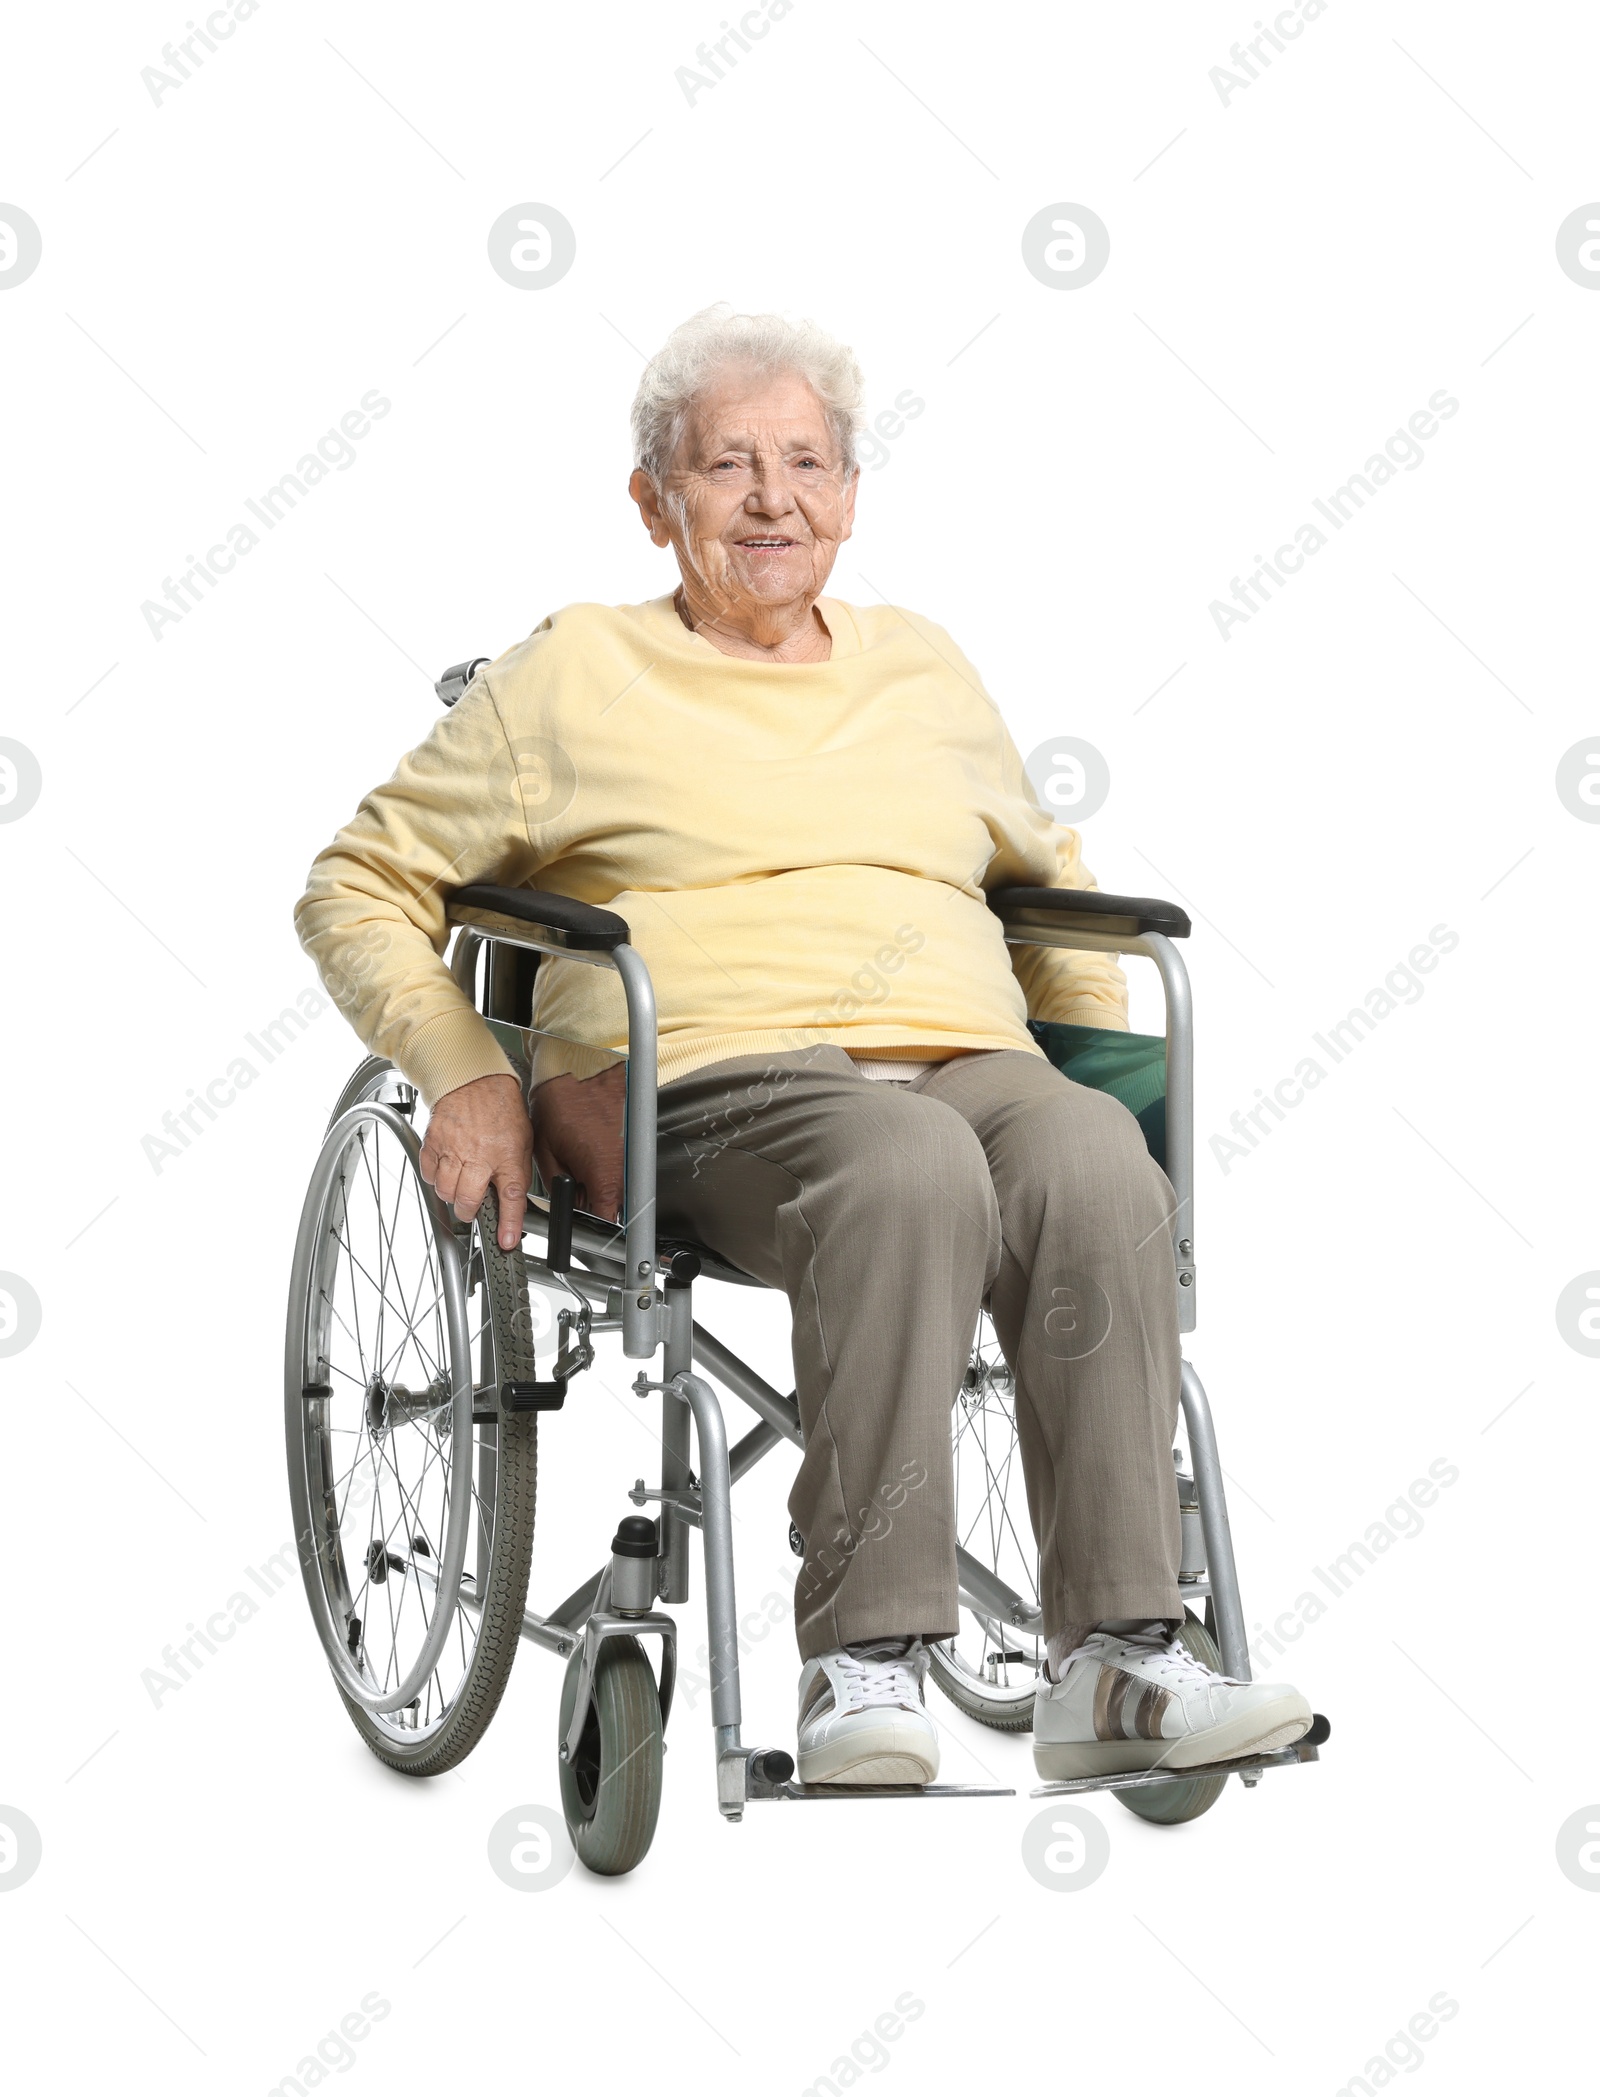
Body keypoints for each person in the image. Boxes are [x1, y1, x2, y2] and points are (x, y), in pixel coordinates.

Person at [295, 304, 1311, 1787]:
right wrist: (459, 1063)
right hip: (694, 1084)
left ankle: (1119, 1660)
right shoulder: (574, 671)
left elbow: (1052, 889)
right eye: (726, 466)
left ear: (849, 494)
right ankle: (862, 1659)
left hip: (960, 1061)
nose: (772, 499)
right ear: (656, 501)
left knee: (1094, 1159)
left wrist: (1089, 1074)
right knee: (904, 1162)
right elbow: (356, 882)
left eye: (807, 464)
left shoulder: (922, 666)